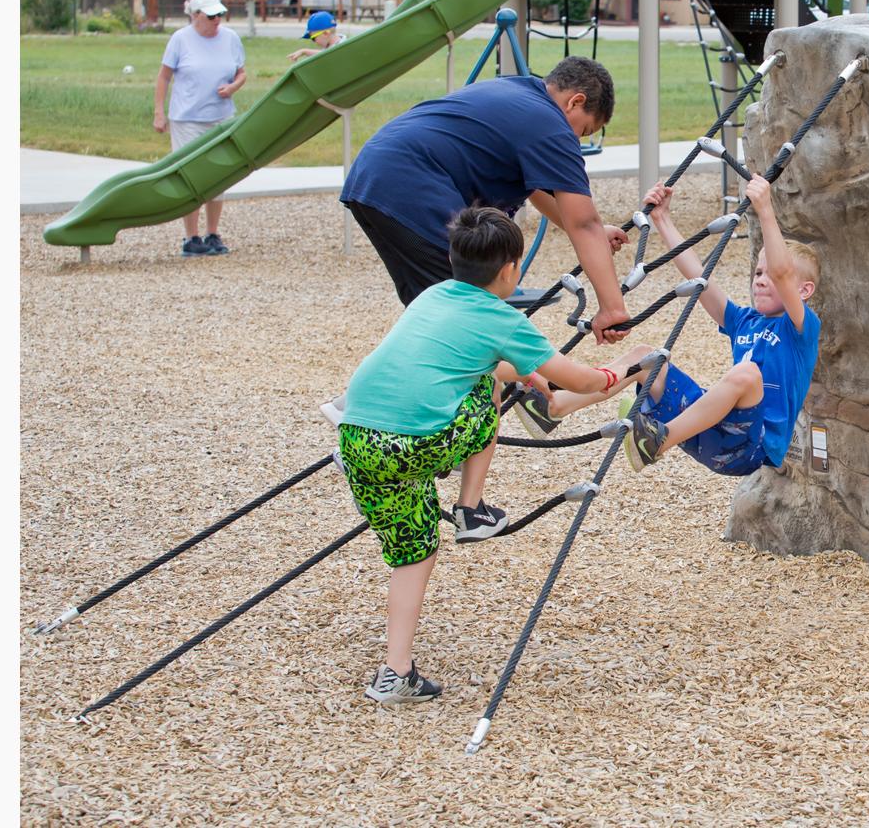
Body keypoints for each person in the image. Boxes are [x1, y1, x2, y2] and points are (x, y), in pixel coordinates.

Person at [336, 204, 635, 704]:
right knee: (483, 382)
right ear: (510, 270)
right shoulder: (500, 317)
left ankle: (395, 673)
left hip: (356, 437)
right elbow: (580, 379)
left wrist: (528, 376)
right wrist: (623, 372)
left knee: (414, 550)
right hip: (412, 443)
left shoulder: (432, 295)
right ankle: (470, 507)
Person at [512, 174, 820, 479]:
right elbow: (699, 277)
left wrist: (765, 210)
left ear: (803, 291)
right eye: (758, 272)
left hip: (750, 447)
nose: (762, 279)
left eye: (772, 275)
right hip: (708, 430)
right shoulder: (743, 321)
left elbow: (782, 273)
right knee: (646, 357)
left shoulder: (800, 330)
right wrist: (662, 220)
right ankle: (556, 406)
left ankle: (659, 441)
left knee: (747, 372)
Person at [339, 56, 631, 343]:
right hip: (409, 184)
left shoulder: (519, 94)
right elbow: (584, 223)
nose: (577, 139)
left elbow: (540, 191)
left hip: (373, 176)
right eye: (585, 130)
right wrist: (612, 309)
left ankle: (431, 386)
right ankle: (495, 386)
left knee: (433, 308)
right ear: (575, 102)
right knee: (471, 300)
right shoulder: (551, 124)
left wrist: (594, 232)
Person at [155, 0, 246, 257]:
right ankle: (191, 236)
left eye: (220, 14)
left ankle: (213, 233)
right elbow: (164, 77)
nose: (217, 19)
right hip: (187, 119)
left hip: (220, 117)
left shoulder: (231, 38)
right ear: (195, 16)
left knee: (218, 175)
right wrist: (159, 113)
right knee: (191, 175)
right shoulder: (180, 40)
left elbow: (242, 73)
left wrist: (233, 87)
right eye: (211, 15)